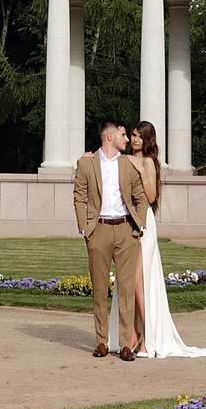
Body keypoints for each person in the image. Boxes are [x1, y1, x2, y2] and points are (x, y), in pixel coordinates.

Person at [129, 120, 206, 359]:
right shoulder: (128, 159)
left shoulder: (147, 162)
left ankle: (147, 338)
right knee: (130, 281)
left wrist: (139, 170)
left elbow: (150, 195)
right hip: (128, 220)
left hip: (144, 222)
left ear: (147, 139)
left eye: (139, 136)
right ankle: (133, 335)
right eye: (132, 135)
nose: (134, 139)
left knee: (139, 281)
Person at [70, 118, 148, 360]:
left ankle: (126, 345)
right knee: (100, 288)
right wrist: (85, 229)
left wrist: (139, 226)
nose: (128, 139)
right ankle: (101, 341)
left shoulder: (129, 164)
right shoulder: (87, 163)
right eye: (124, 135)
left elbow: (141, 198)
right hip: (99, 230)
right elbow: (79, 196)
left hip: (126, 230)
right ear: (110, 137)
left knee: (126, 289)